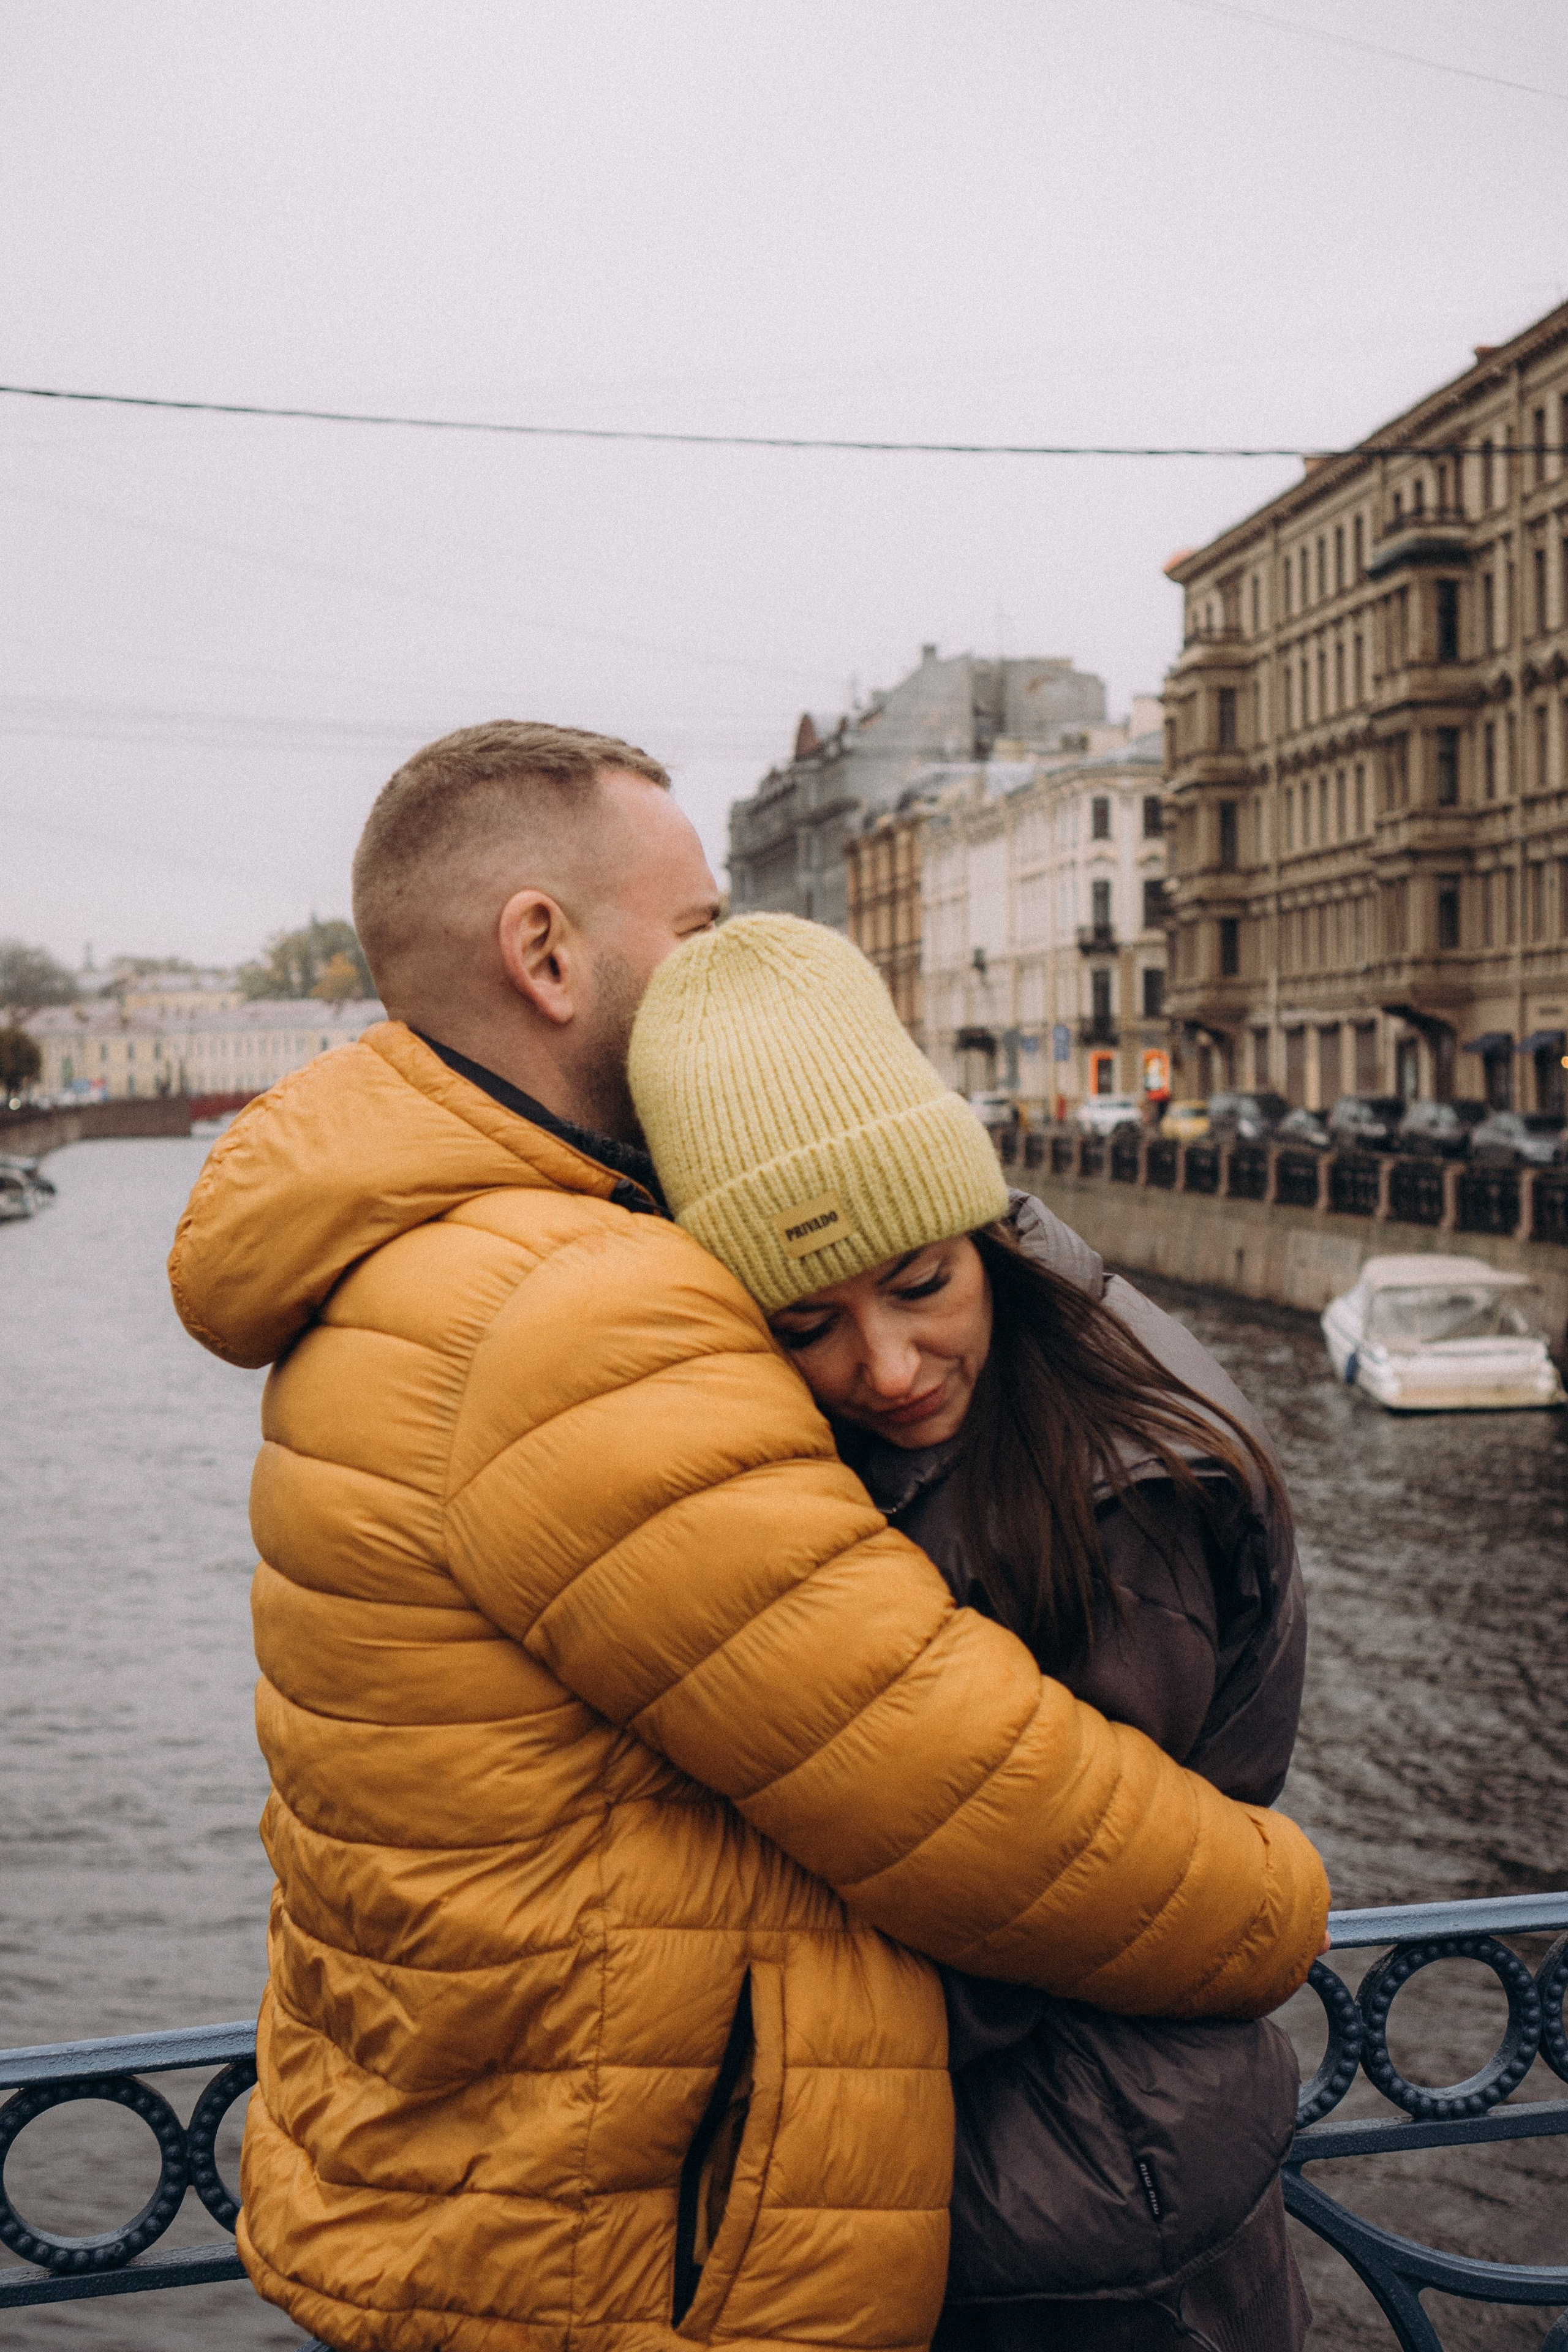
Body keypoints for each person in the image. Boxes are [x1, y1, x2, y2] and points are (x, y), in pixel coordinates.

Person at [168, 722, 1328, 2352]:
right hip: (631, 2237)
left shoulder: (407, 1258)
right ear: (544, 952)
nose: (720, 977)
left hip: (482, 2173)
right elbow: (948, 1776)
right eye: (697, 929)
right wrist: (1280, 1908)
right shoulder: (567, 1301)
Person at [628, 913, 1321, 2352]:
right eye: (805, 1325)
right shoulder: (1004, 1397)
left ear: (982, 1233)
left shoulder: (1118, 1496)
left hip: (1094, 2209)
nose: (886, 1367)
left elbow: (1042, 1898)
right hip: (1065, 2177)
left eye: (918, 1286)